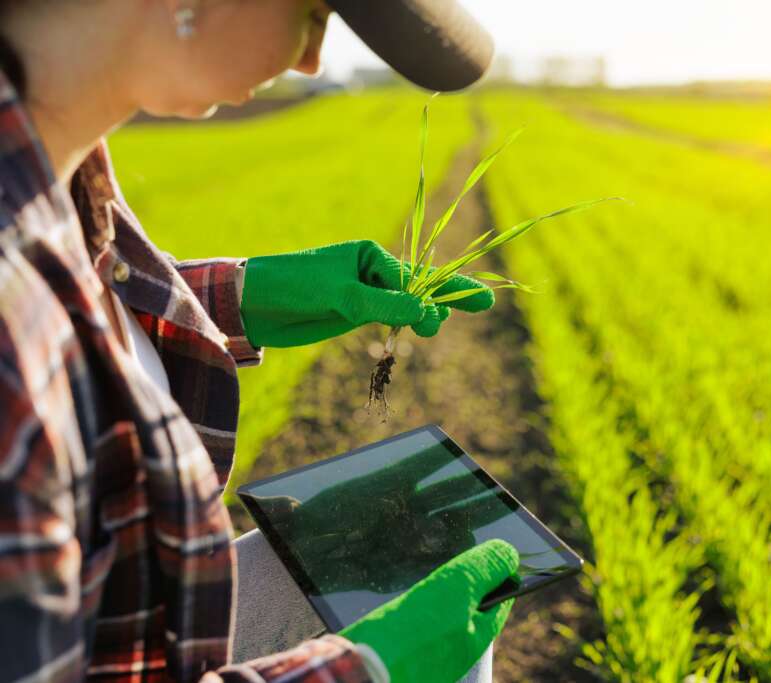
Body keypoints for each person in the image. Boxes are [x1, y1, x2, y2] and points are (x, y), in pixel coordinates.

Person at [0, 1, 519, 682]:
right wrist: (362, 671)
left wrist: (246, 296)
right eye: (312, 13)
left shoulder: (58, 166)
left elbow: (77, 319)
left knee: (413, 555)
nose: (309, 60)